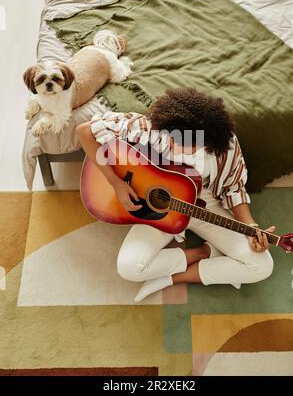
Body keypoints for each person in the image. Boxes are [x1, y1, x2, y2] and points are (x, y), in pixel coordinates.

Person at [76, 88, 274, 302]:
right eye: (170, 139)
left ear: (205, 143)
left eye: (182, 145)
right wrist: (115, 183)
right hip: (156, 209)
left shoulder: (224, 146)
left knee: (262, 266)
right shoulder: (149, 128)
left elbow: (233, 188)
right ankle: (204, 253)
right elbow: (85, 131)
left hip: (203, 202)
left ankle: (176, 278)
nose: (171, 145)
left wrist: (251, 228)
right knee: (129, 268)